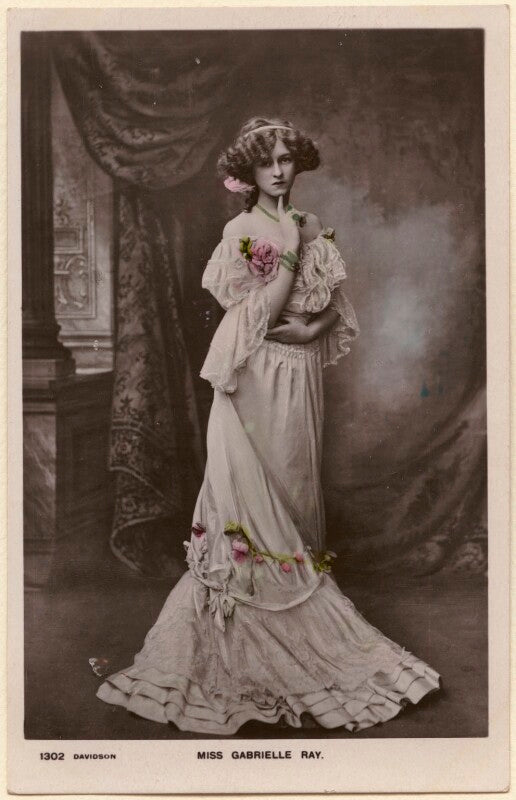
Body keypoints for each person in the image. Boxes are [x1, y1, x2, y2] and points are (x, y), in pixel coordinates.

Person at [97, 117, 440, 734]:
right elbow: (258, 311)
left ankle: (305, 630)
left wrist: (313, 327)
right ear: (248, 173)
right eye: (266, 163)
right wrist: (287, 253)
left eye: (286, 159)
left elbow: (333, 302)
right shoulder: (243, 232)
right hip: (253, 376)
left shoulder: (309, 223)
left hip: (298, 375)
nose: (279, 171)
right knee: (251, 503)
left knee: (296, 494)